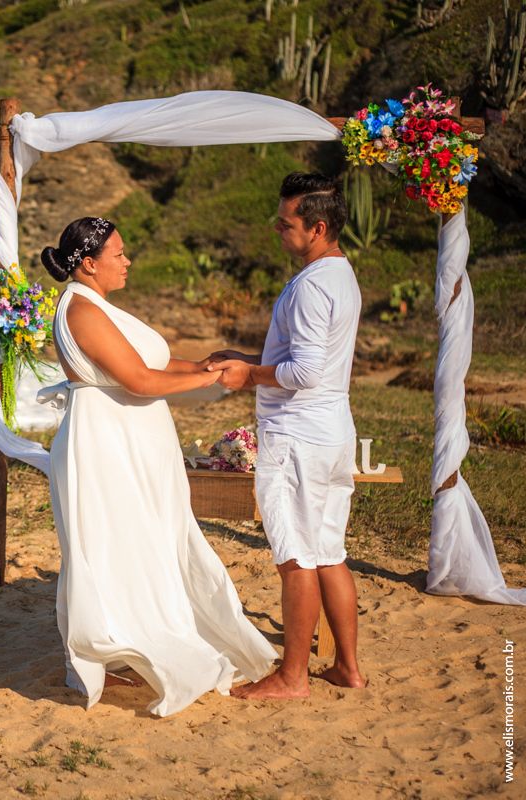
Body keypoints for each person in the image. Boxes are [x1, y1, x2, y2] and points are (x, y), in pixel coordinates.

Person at [38, 216, 277, 717]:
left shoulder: (97, 306)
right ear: (88, 264)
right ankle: (124, 645)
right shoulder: (81, 310)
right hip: (107, 442)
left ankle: (125, 646)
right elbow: (139, 381)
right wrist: (213, 382)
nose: (127, 261)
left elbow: (158, 365)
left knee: (147, 539)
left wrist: (212, 369)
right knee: (118, 544)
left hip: (133, 441)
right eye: (118, 253)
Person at [208, 171, 366, 698]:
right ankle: (348, 668)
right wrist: (248, 359)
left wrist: (249, 375)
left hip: (298, 438)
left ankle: (293, 676)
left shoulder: (311, 285)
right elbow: (305, 361)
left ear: (316, 227)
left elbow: (304, 373)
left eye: (286, 223)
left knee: (296, 557)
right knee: (329, 553)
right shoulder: (341, 274)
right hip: (333, 432)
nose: (277, 230)